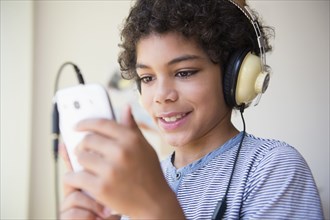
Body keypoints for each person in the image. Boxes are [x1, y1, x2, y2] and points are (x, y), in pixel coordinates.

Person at [60, 0, 324, 219]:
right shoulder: (139, 178)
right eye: (148, 78)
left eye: (184, 72)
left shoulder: (272, 167)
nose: (162, 96)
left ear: (234, 78)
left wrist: (156, 208)